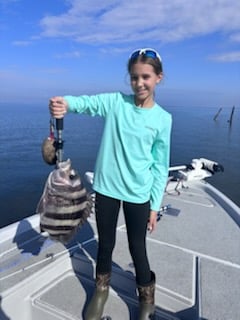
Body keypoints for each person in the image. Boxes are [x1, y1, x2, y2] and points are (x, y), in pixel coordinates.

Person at [49, 48, 172, 320]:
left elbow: (160, 165)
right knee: (105, 244)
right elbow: (88, 103)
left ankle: (147, 300)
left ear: (158, 78)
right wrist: (65, 103)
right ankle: (101, 290)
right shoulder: (116, 103)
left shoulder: (164, 119)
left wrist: (154, 206)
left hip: (139, 193)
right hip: (106, 189)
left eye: (146, 77)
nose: (139, 83)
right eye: (134, 77)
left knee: (137, 248)